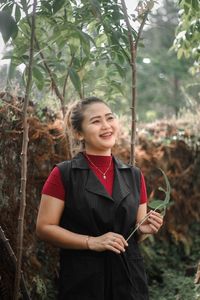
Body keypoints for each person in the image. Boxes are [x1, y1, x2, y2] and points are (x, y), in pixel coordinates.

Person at [36, 96, 163, 300]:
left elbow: (136, 233)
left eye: (109, 118)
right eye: (96, 121)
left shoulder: (134, 175)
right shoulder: (64, 174)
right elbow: (44, 227)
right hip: (83, 281)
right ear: (79, 133)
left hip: (129, 281)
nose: (106, 126)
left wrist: (144, 230)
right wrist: (91, 242)